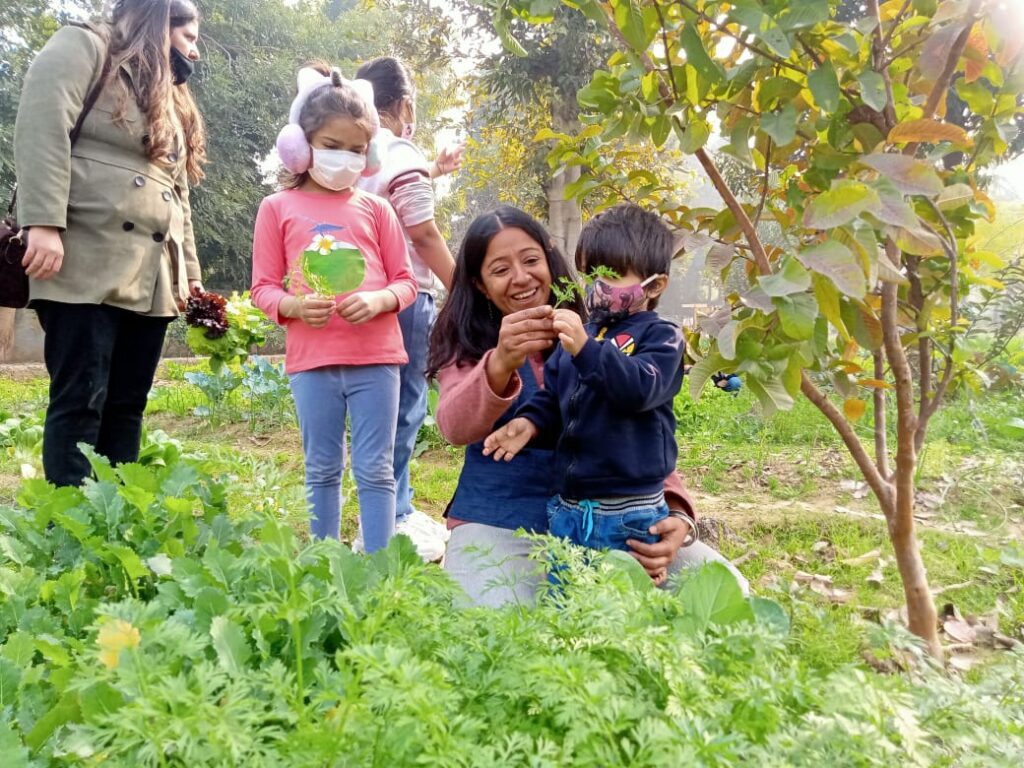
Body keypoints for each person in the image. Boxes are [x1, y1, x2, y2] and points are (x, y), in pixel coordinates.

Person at [427, 206, 747, 607]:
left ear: (551, 263)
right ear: (480, 285)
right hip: (502, 516)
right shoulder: (467, 340)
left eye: (531, 260)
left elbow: (640, 424)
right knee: (496, 616)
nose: (521, 277)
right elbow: (454, 427)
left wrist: (678, 514)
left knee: (729, 596)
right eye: (500, 269)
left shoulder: (597, 331)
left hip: (616, 515)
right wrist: (501, 365)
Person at [14, 0, 207, 487]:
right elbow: (42, 126)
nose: (195, 51)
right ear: (159, 21)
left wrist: (190, 275)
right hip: (84, 260)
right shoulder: (83, 46)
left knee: (128, 405)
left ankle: (116, 514)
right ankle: (71, 518)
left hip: (151, 274)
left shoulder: (172, 98)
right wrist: (43, 222)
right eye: (188, 37)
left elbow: (177, 194)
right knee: (81, 400)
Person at [251, 65, 416, 553]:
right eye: (331, 144)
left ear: (370, 153)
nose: (344, 157)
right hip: (313, 363)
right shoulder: (276, 208)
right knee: (321, 468)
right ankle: (323, 563)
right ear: (301, 145)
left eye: (356, 149)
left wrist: (381, 299)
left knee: (376, 469)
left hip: (377, 361)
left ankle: (380, 569)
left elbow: (406, 282)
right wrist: (295, 306)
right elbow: (262, 288)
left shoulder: (378, 209)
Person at [483, 204, 683, 560]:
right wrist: (530, 421)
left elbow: (640, 389)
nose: (598, 285)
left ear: (655, 285)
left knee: (621, 590)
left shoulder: (662, 338)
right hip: (570, 507)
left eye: (612, 274)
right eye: (591, 273)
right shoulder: (584, 333)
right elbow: (555, 394)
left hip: (630, 510)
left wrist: (587, 350)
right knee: (565, 590)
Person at [354, 56, 459, 560]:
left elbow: (390, 199)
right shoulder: (399, 153)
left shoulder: (353, 153)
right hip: (406, 297)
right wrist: (464, 287)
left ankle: (394, 505)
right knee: (404, 408)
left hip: (362, 299)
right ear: (403, 105)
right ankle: (386, 518)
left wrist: (434, 169)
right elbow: (422, 233)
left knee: (377, 410)